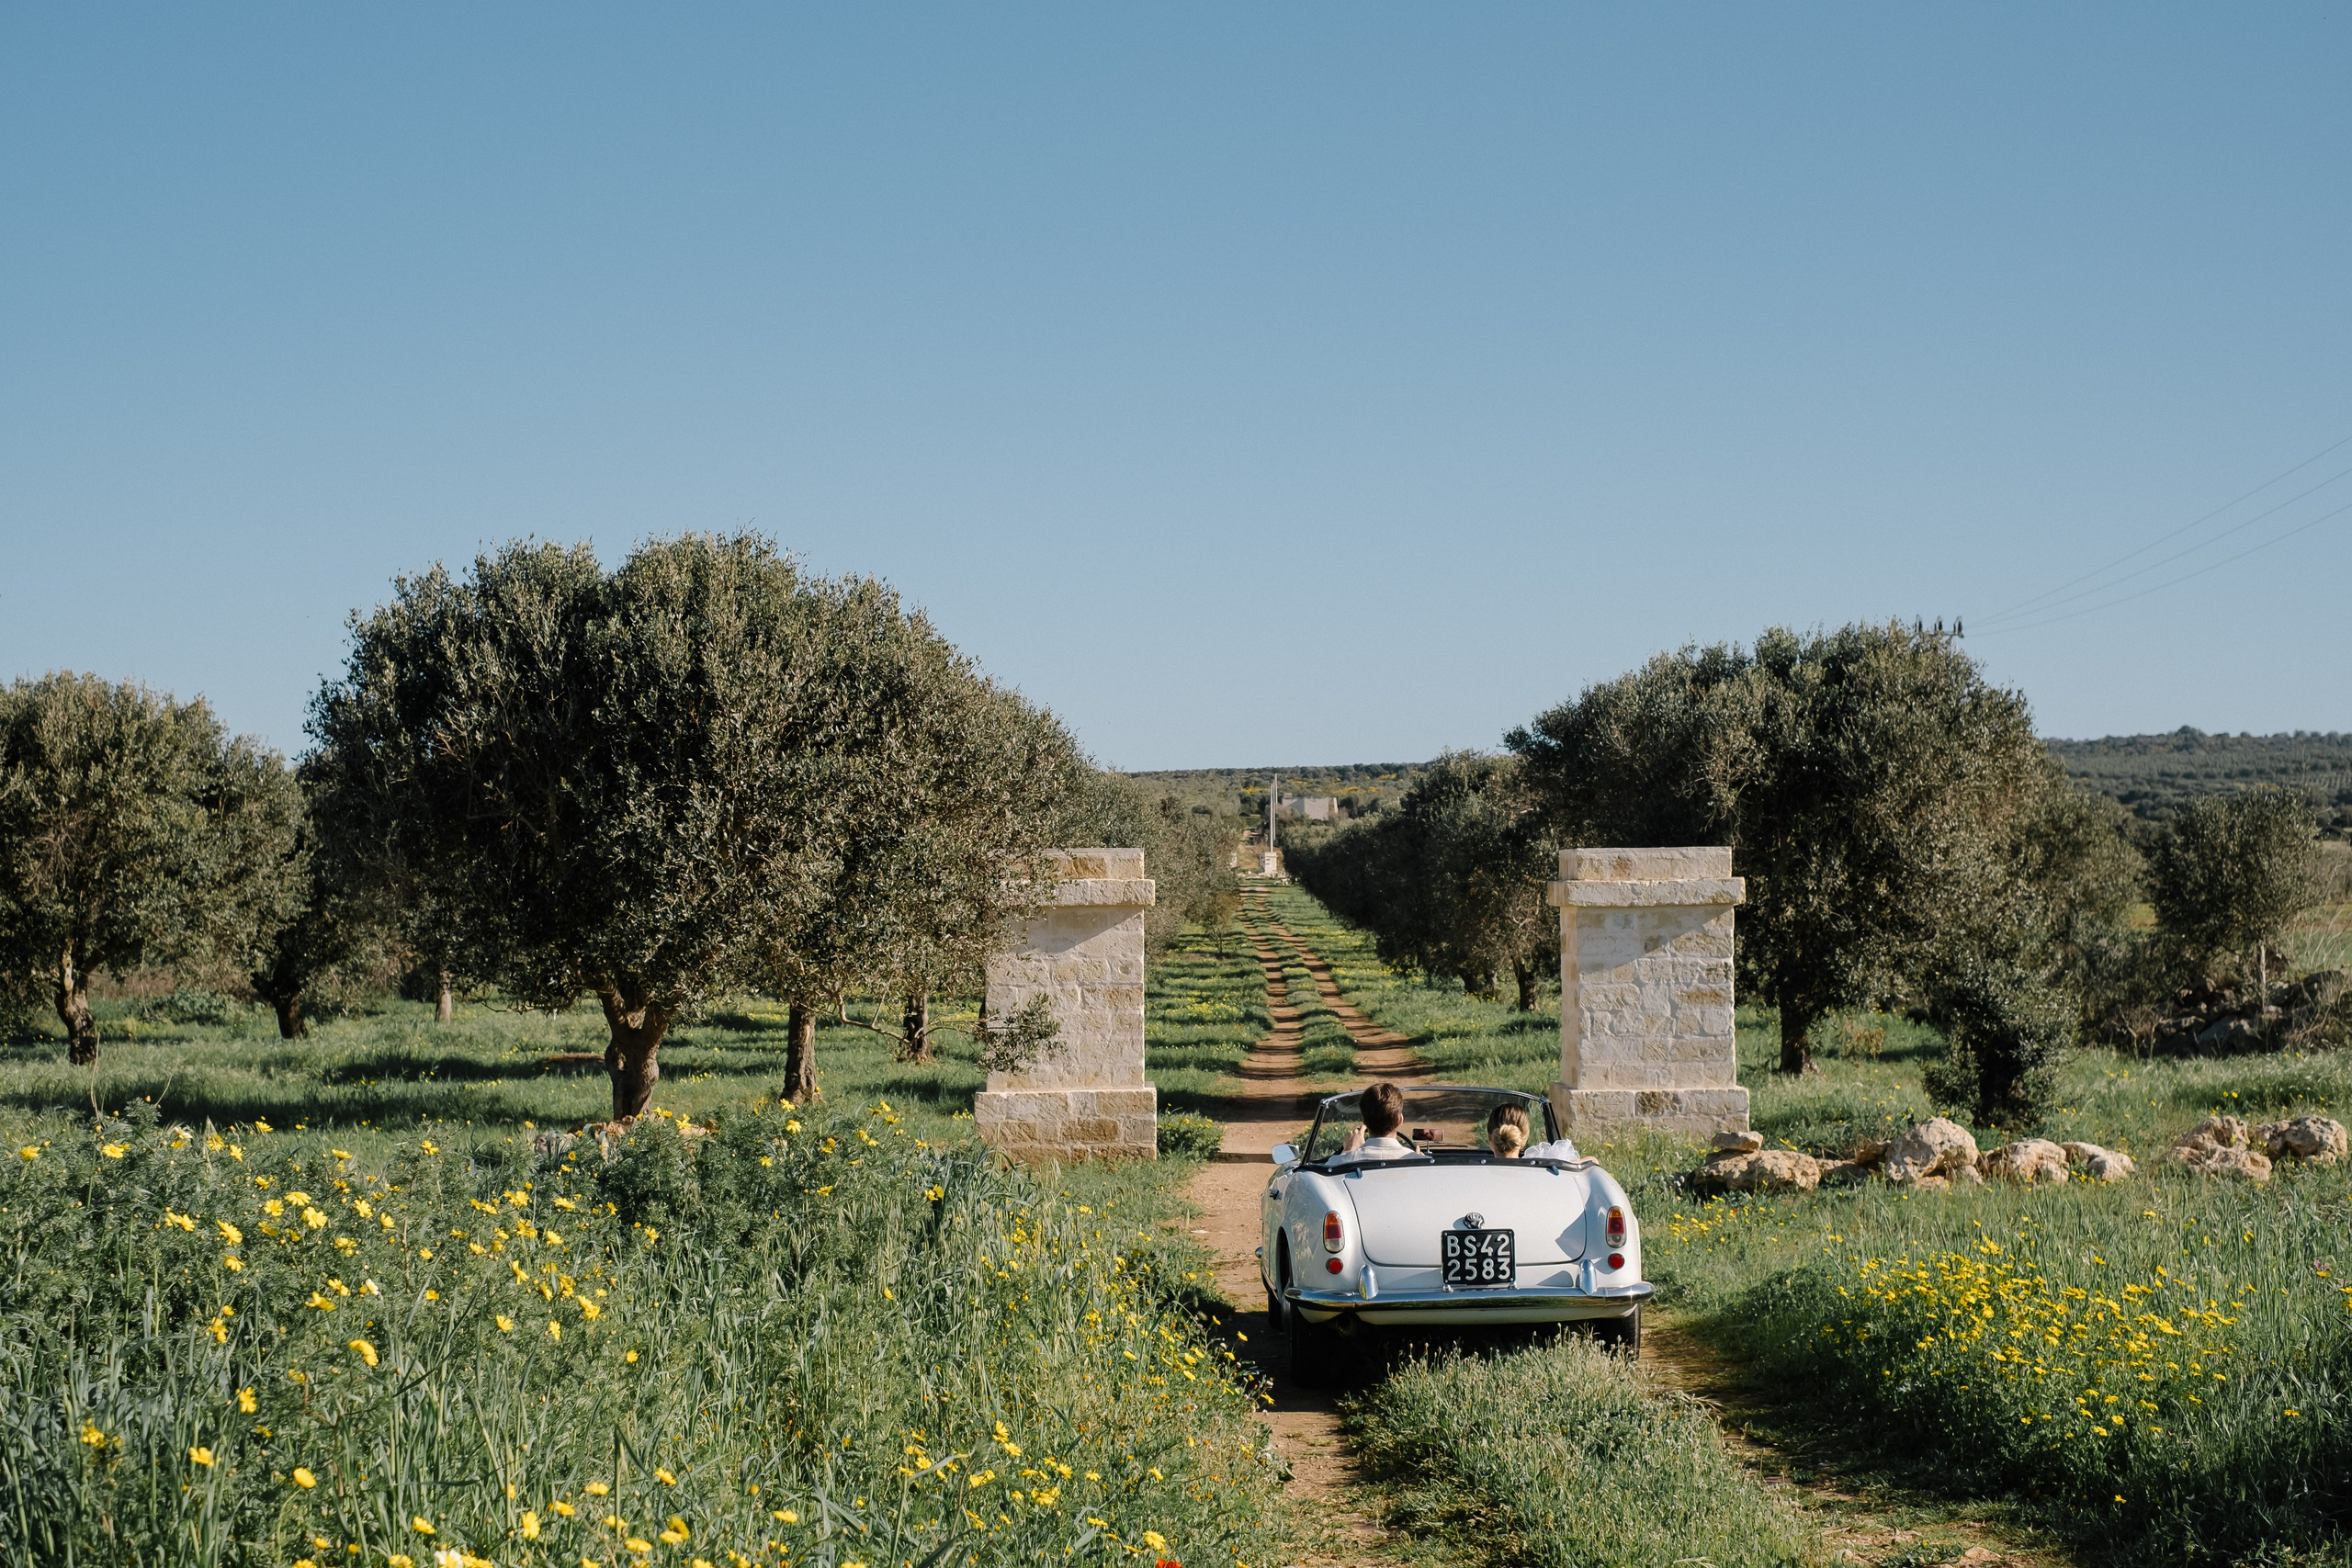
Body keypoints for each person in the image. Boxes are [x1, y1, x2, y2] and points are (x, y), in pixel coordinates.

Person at [1332, 1082, 1417, 1166]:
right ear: (1400, 1120)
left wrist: (1348, 1151)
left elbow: (1330, 1169)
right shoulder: (1418, 1161)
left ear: (1364, 1121)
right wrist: (1419, 1158)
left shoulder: (1341, 1162)